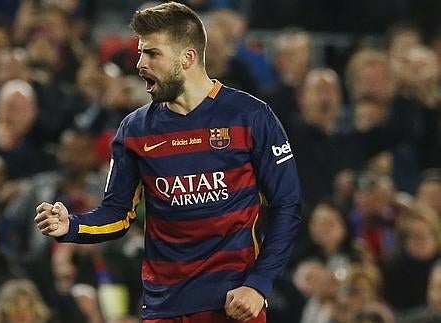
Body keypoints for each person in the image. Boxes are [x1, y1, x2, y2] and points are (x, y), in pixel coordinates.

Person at [35, 2, 301, 322]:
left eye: (152, 54)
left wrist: (258, 285)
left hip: (234, 306)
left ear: (187, 58)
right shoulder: (134, 130)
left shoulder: (251, 117)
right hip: (164, 309)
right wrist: (72, 225)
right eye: (139, 53)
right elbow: (118, 214)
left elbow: (287, 205)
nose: (139, 65)